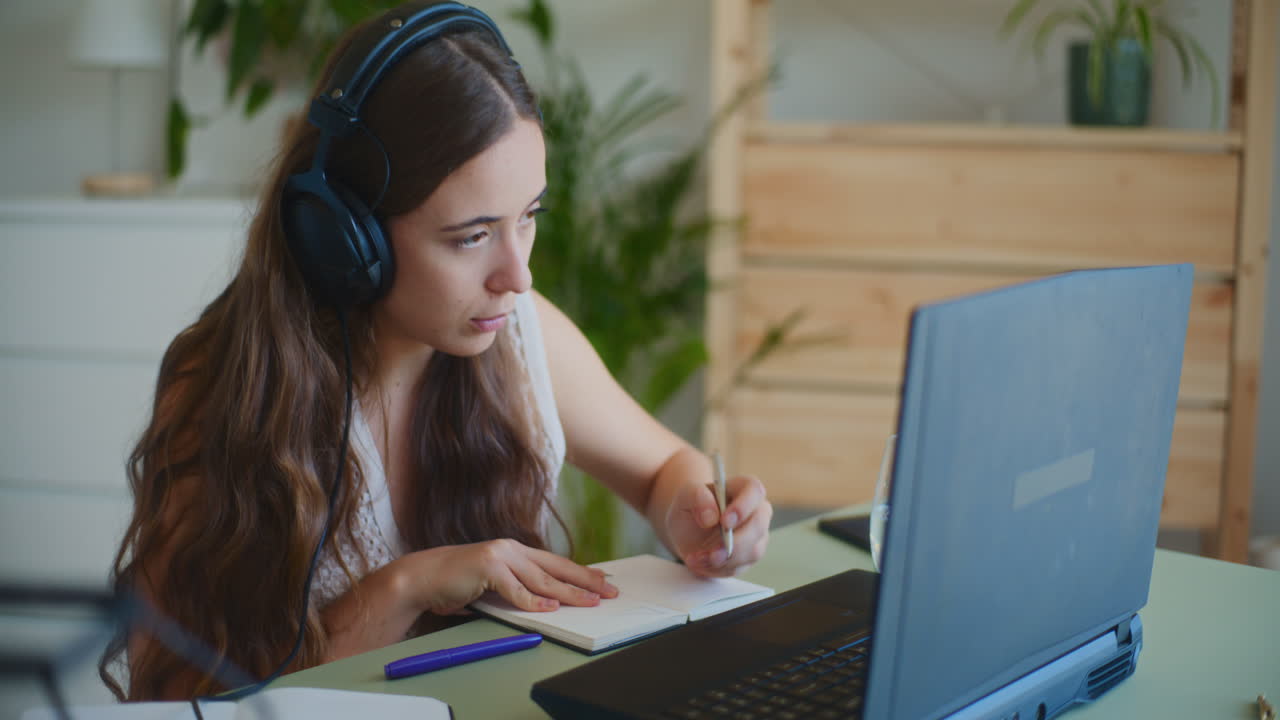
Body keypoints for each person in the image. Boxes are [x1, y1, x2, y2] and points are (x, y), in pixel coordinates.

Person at [100, 1, 771, 702]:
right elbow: (179, 698)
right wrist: (404, 587)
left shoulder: (518, 334)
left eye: (529, 218)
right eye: (472, 237)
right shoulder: (223, 388)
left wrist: (699, 517)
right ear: (345, 238)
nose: (519, 276)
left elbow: (668, 468)